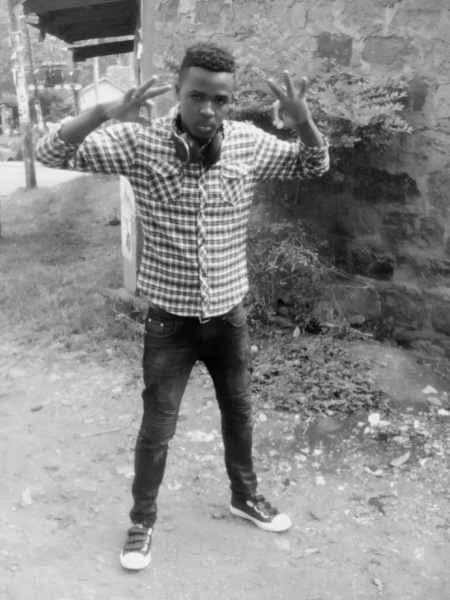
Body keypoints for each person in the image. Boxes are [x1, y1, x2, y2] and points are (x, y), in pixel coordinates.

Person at [36, 42, 329, 571]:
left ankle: (245, 497)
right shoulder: (139, 142)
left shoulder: (246, 143)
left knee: (239, 412)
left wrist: (303, 121)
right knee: (158, 426)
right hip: (170, 321)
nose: (208, 110)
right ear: (178, 92)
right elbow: (50, 153)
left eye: (221, 99)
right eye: (197, 96)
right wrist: (104, 111)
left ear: (231, 101)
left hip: (229, 317)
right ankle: (142, 521)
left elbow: (314, 163)